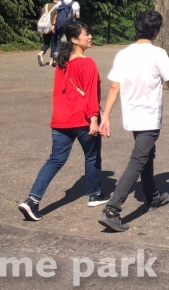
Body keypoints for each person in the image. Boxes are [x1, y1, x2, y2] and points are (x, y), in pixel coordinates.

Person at [97, 11, 169, 232]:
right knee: (138, 159)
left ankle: (152, 195)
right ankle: (112, 210)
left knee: (146, 154)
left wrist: (105, 116)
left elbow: (114, 87)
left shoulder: (124, 54)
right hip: (149, 116)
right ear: (156, 31)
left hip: (132, 115)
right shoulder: (158, 53)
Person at [19, 21, 107, 220]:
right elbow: (91, 94)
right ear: (75, 40)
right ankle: (94, 194)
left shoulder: (61, 62)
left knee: (55, 160)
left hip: (60, 120)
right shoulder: (87, 63)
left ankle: (32, 200)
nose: (90, 36)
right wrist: (94, 119)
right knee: (92, 156)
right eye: (87, 33)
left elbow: (59, 92)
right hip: (83, 119)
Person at [51, 0, 80, 67]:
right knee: (69, 42)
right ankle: (67, 59)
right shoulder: (75, 4)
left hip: (60, 25)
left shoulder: (60, 3)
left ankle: (56, 53)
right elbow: (77, 16)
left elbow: (56, 14)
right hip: (70, 25)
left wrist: (54, 25)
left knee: (60, 41)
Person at [37, 0, 61, 67]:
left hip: (45, 27)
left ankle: (40, 53)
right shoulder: (58, 6)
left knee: (46, 43)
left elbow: (42, 14)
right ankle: (52, 60)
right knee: (54, 43)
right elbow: (57, 17)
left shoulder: (46, 6)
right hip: (53, 27)